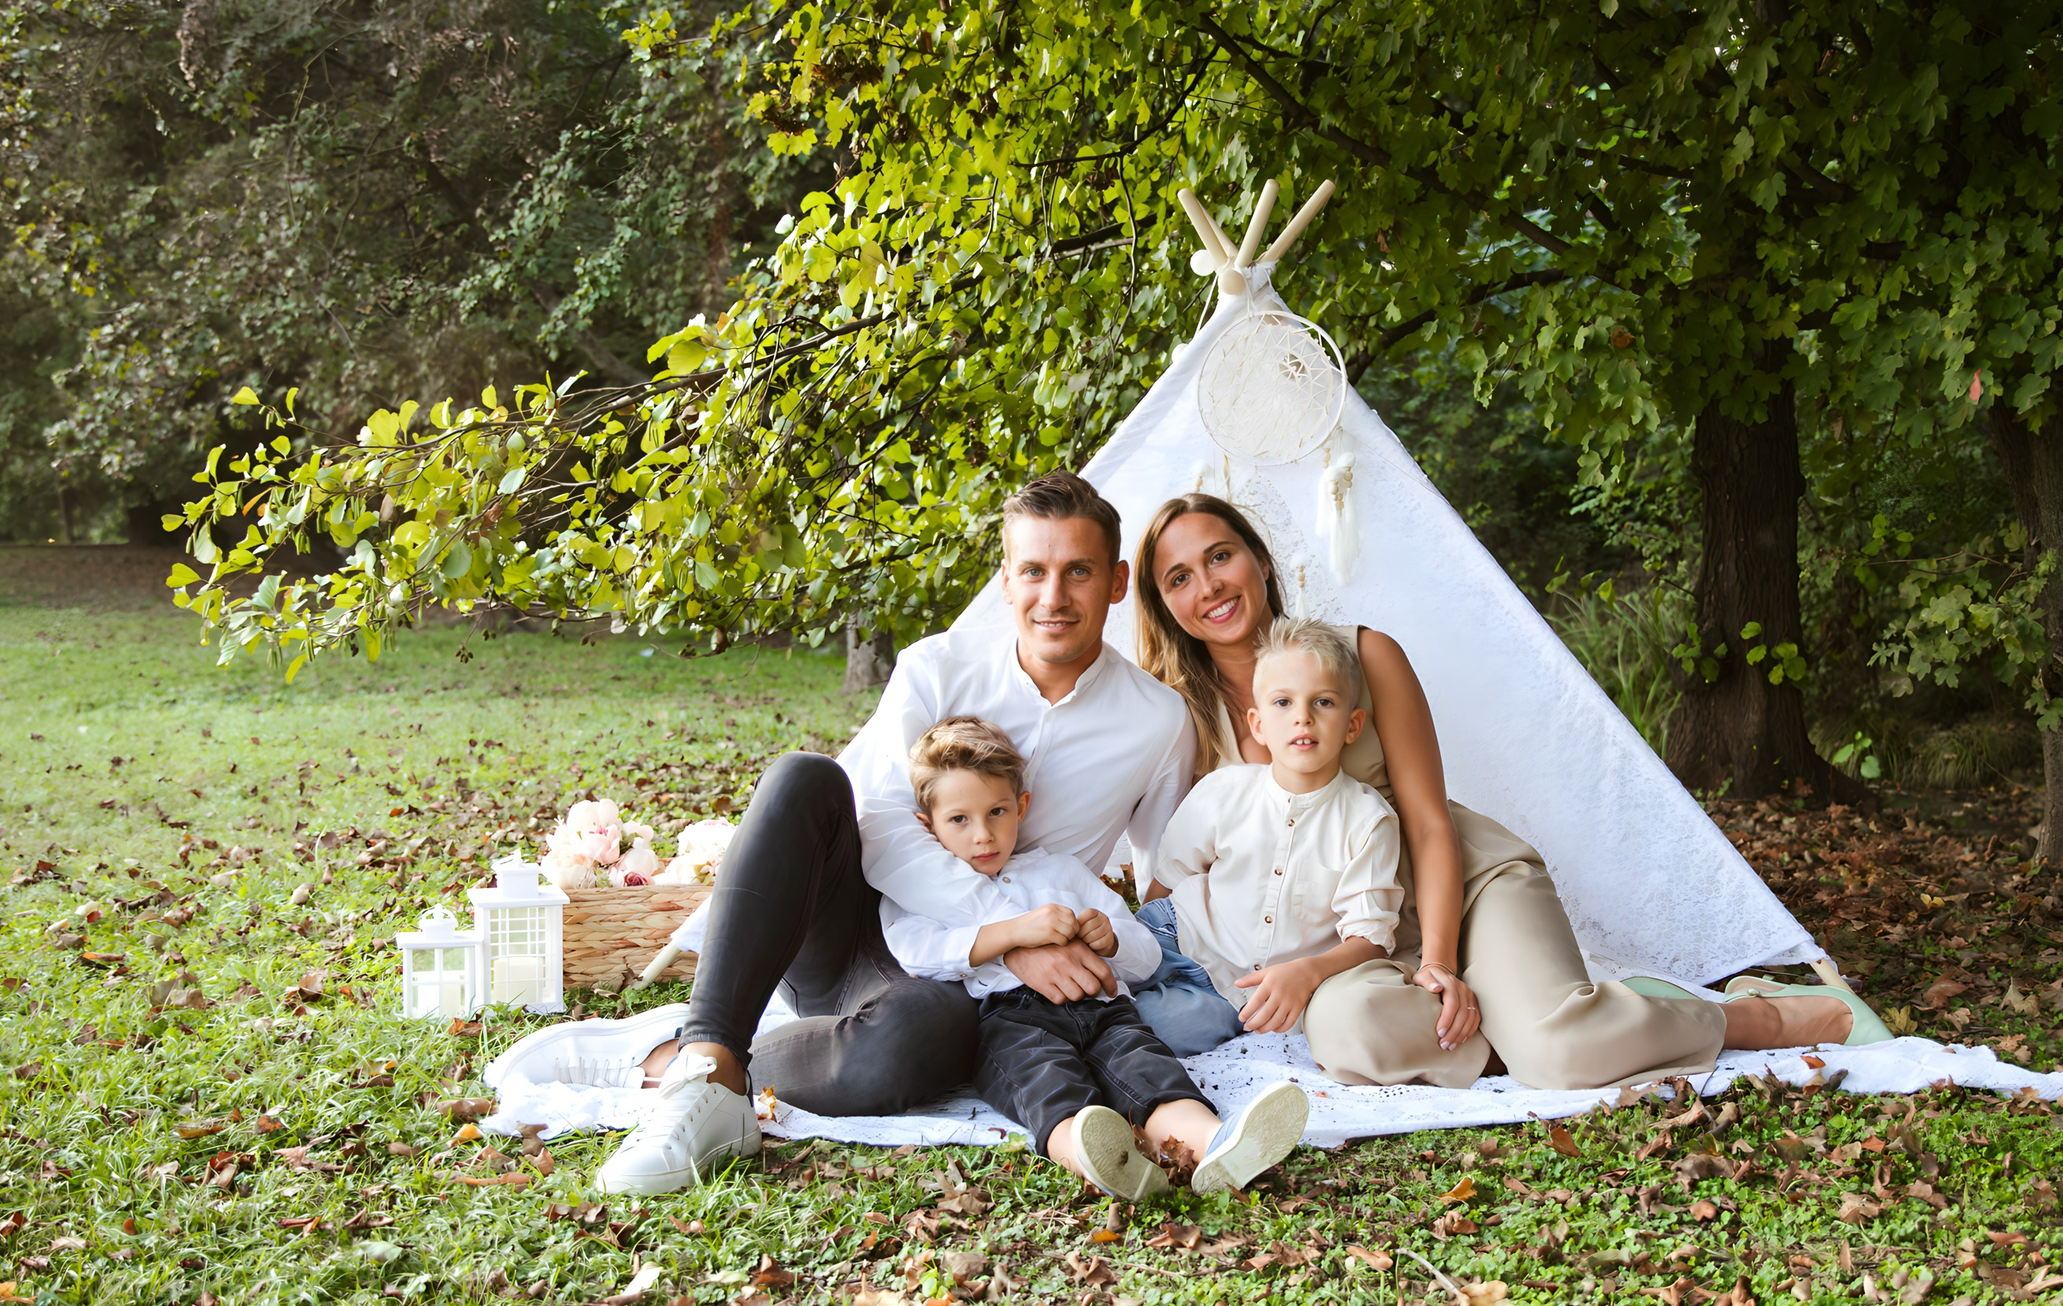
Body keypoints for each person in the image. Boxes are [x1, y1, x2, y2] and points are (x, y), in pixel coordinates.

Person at [1132, 493, 1892, 1091]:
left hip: (1463, 885)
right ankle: (1549, 1022)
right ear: (1165, 605)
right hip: (1360, 937)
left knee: (1558, 1055)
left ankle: (1746, 1019)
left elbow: (1428, 823)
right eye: (1179, 578)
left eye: (1220, 556)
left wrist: (1439, 963)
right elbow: (1182, 867)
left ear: (1260, 560)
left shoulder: (1365, 656)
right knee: (1346, 1032)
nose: (1209, 586)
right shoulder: (1177, 716)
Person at [583, 472, 1198, 1196]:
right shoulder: (937, 668)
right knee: (805, 777)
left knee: (927, 1033)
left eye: (1079, 572)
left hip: (970, 995)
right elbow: (877, 823)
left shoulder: (1158, 720)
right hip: (857, 931)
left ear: (1117, 582)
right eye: (1033, 570)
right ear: (1005, 579)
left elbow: (1162, 878)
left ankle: (699, 1060)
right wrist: (1012, 931)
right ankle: (705, 1064)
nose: (1053, 596)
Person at [882, 715, 1307, 1198]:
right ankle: (1098, 1162)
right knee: (1047, 1085)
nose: (983, 835)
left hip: (1105, 1008)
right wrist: (1012, 935)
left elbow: (1146, 958)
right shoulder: (925, 889)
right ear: (928, 825)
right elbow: (915, 952)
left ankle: (1217, 1145)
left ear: (1022, 806)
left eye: (997, 811)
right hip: (1011, 1019)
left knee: (1148, 1070)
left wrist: (1112, 940)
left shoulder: (1061, 872)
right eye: (959, 819)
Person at [1141, 619, 1463, 1057]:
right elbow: (1169, 878)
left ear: (1352, 726)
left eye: (1323, 702)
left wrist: (1307, 972)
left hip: (1237, 992)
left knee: (1168, 1028)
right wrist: (1136, 947)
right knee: (1109, 970)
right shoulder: (1224, 790)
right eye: (1283, 702)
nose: (1302, 717)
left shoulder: (1368, 821)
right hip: (1179, 933)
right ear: (1258, 725)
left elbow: (1369, 936)